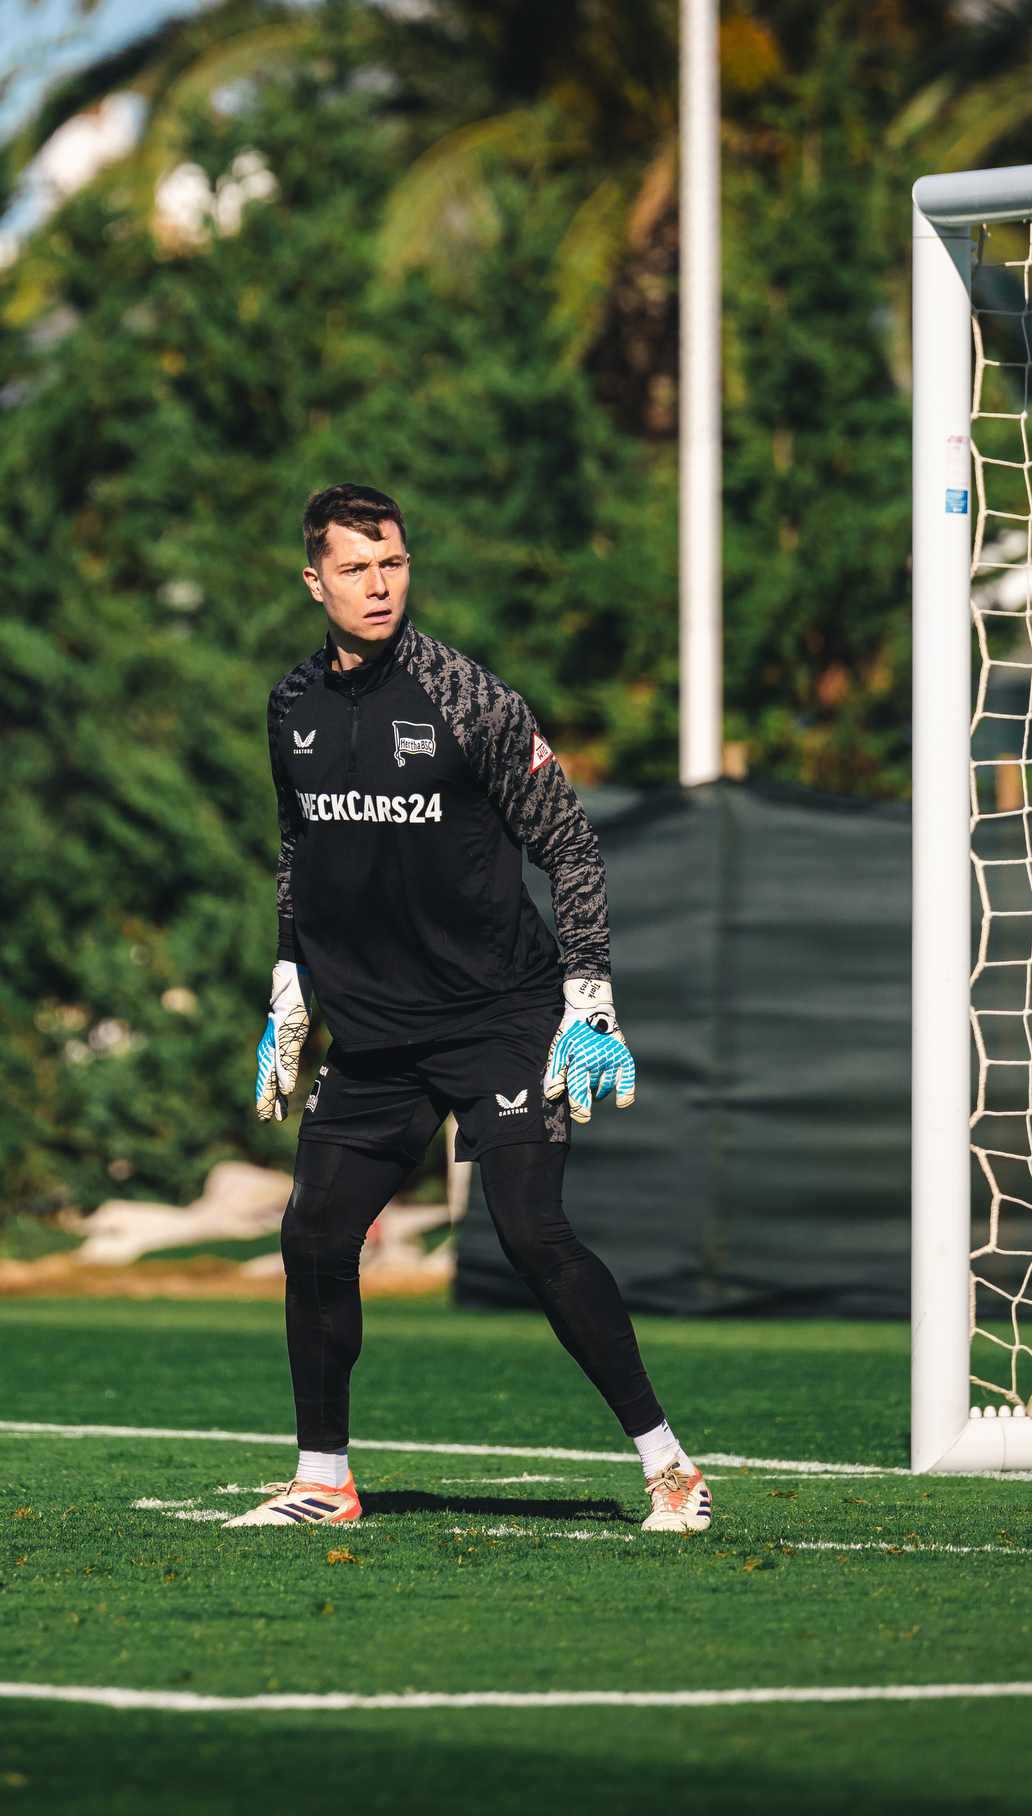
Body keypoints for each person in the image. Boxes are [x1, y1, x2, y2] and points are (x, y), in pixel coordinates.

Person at [234, 483, 711, 1535]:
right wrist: (288, 984)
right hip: (373, 1034)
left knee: (532, 1232)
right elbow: (299, 849)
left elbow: (569, 845)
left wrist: (588, 996)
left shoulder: (468, 697)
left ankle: (671, 1468)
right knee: (315, 1235)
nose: (378, 585)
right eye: (355, 568)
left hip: (500, 1015)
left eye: (392, 563)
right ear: (313, 581)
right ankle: (323, 1479)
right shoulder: (289, 705)